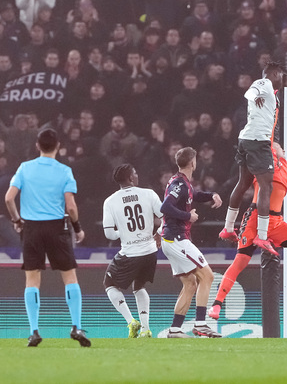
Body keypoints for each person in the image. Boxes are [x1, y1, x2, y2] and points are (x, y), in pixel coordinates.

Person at [209, 113, 287, 320]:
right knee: (240, 261)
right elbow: (267, 140)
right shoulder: (262, 164)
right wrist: (272, 113)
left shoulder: (285, 167)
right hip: (255, 218)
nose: (282, 148)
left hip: (276, 221)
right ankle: (217, 304)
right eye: (279, 146)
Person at [4, 128, 91, 347]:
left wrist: (16, 221)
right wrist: (77, 228)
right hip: (56, 227)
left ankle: (34, 331)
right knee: (69, 276)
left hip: (31, 229)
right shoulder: (64, 171)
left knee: (32, 279)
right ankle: (76, 326)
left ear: (37, 146)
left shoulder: (25, 168)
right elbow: (70, 206)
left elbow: (8, 198)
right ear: (58, 146)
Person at [219, 61, 284, 255]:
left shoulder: (273, 94)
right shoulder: (264, 83)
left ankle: (228, 229)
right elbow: (249, 92)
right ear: (272, 74)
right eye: (279, 75)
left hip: (248, 139)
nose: (281, 79)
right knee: (266, 186)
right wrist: (254, 96)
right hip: (257, 141)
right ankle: (262, 237)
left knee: (244, 183)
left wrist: (276, 144)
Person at [160, 147, 223, 338]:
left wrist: (210, 195)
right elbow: (166, 207)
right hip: (177, 239)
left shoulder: (182, 183)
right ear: (193, 163)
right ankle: (201, 324)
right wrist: (188, 215)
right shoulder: (179, 184)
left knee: (191, 284)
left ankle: (175, 329)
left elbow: (192, 195)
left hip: (172, 239)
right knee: (208, 276)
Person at [102, 164, 163, 338]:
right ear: (130, 178)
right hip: (150, 251)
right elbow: (166, 218)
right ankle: (146, 329)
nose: (137, 175)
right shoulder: (148, 194)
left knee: (109, 284)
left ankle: (131, 321)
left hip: (130, 252)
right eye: (135, 173)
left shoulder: (110, 201)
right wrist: (158, 234)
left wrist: (124, 232)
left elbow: (109, 234)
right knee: (139, 286)